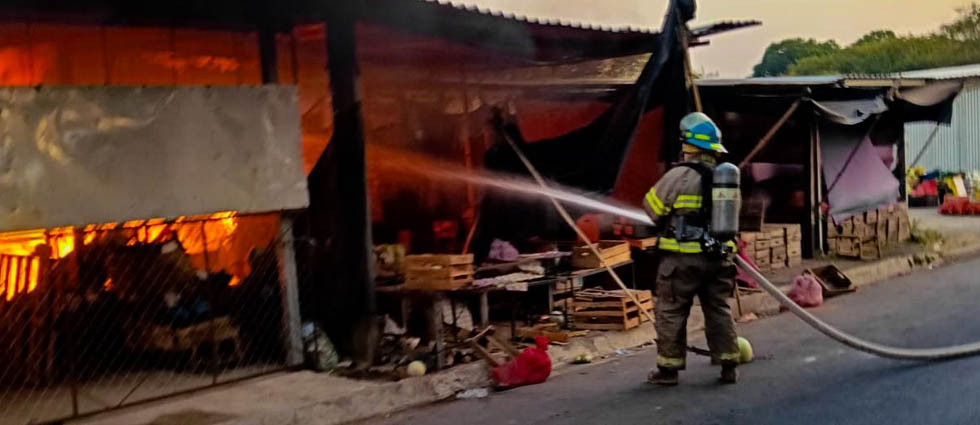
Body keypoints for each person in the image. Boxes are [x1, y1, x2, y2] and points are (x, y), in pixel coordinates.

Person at [642, 112, 740, 386]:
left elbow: (651, 209)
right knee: (718, 309)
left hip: (682, 259)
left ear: (688, 145)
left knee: (671, 311)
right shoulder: (726, 178)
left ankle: (668, 370)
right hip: (719, 258)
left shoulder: (678, 176)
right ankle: (729, 365)